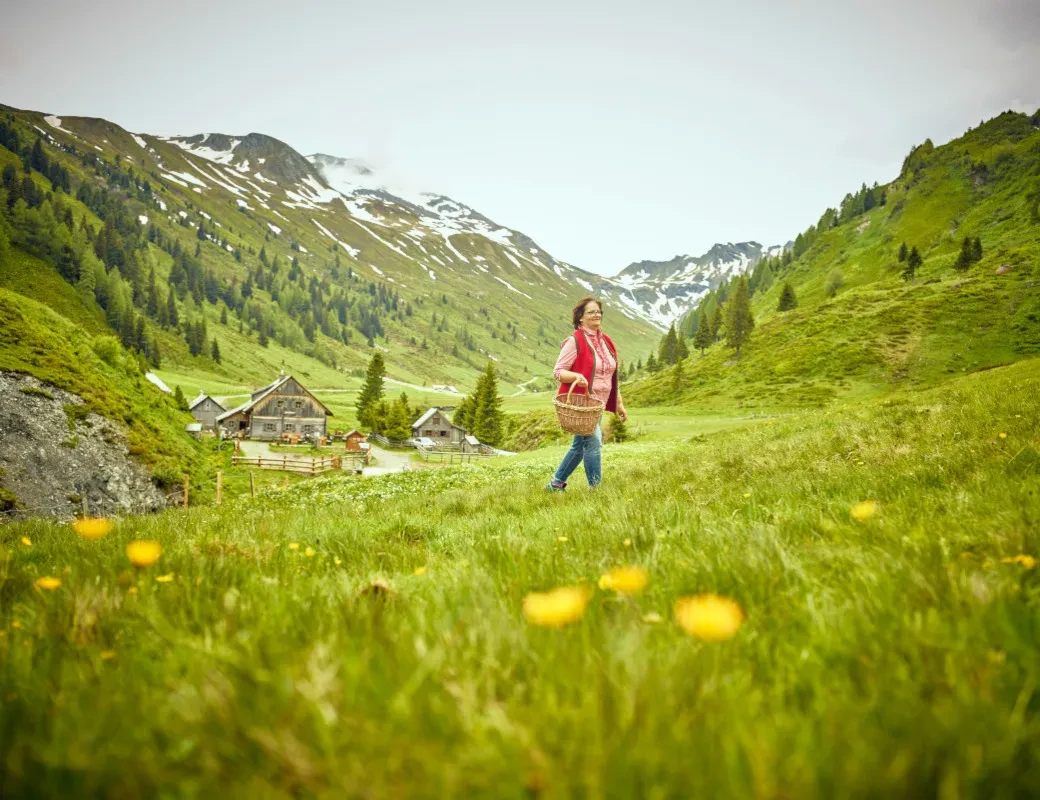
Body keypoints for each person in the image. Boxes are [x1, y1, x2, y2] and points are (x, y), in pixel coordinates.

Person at [547, 296, 627, 490]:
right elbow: (558, 372)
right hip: (582, 404)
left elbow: (611, 375)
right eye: (591, 312)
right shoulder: (574, 341)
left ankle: (555, 484)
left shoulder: (606, 341)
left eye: (599, 312)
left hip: (597, 404)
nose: (596, 315)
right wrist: (575, 376)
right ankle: (596, 490)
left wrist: (619, 403)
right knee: (593, 443)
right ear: (581, 318)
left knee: (579, 447)